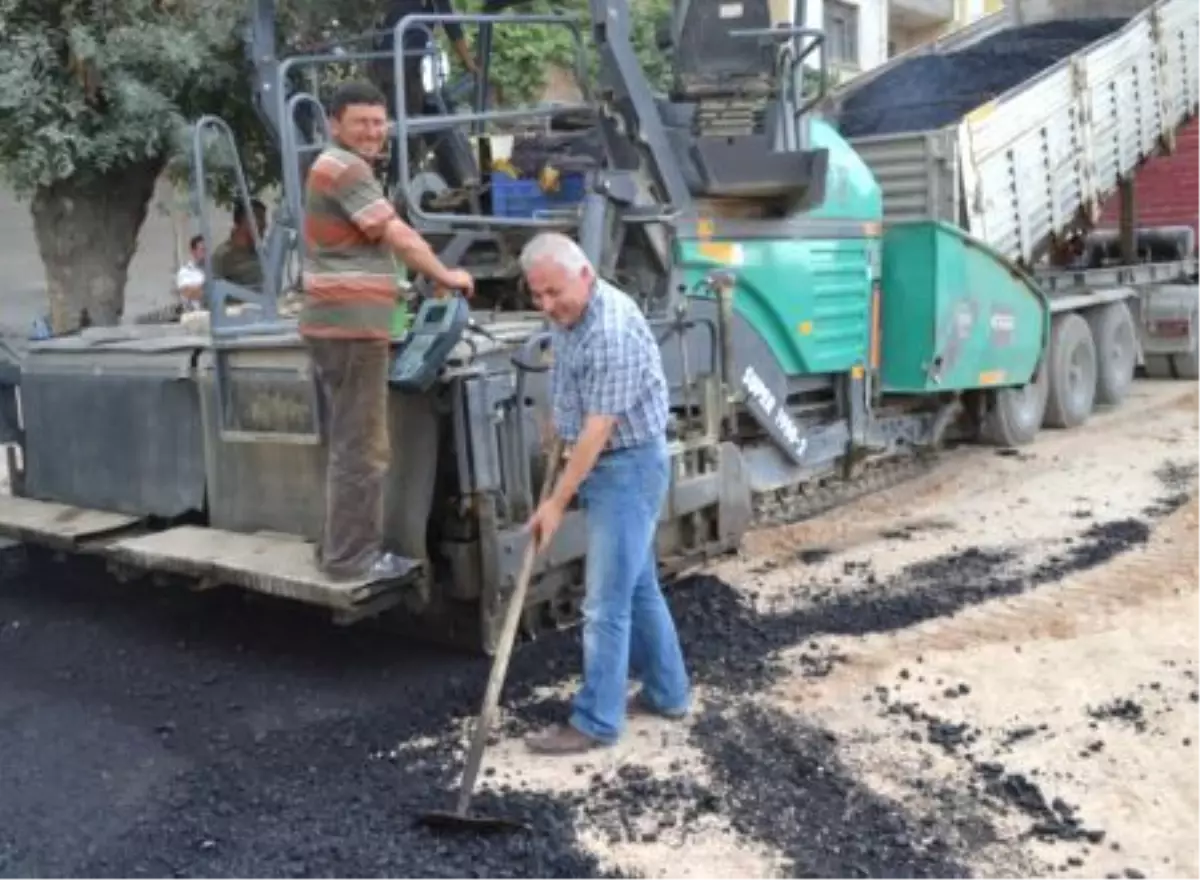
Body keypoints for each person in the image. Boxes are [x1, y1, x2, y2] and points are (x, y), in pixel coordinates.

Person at [519, 231, 691, 756]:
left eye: (554, 293)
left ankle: (596, 721)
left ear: (585, 275)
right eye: (537, 295)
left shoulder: (612, 329)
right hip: (612, 465)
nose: (547, 306)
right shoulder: (573, 317)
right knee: (638, 589)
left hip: (626, 469)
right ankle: (668, 693)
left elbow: (598, 432)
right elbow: (571, 385)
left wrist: (554, 502)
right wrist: (555, 426)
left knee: (604, 606)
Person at [300, 80, 475, 581]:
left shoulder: (333, 166)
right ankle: (352, 561)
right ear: (335, 124)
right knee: (363, 448)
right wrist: (447, 275)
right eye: (361, 122)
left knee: (344, 444)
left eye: (379, 123)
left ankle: (337, 547)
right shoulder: (346, 168)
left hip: (338, 325)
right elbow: (395, 232)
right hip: (353, 331)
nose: (373, 132)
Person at [211, 199, 267, 292]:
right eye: (260, 218)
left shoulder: (260, 253)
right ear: (244, 222)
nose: (265, 225)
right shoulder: (222, 256)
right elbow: (214, 293)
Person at [175, 234, 207, 312]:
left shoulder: (211, 270)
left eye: (206, 250)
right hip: (195, 316)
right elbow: (188, 292)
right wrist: (208, 287)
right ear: (193, 251)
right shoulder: (185, 272)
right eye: (202, 250)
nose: (205, 253)